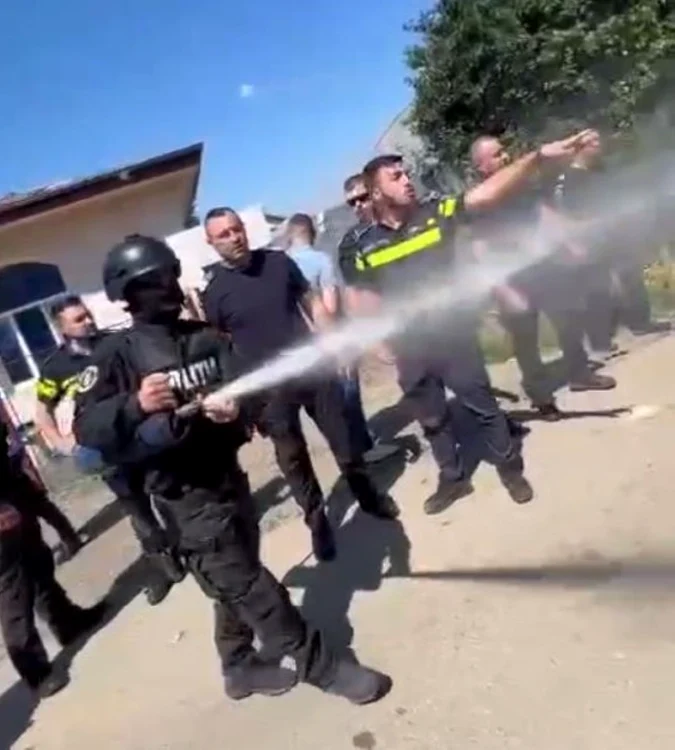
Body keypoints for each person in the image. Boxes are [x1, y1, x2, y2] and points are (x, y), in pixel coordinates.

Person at [72, 234, 391, 704]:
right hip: (185, 500)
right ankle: (321, 666)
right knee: (252, 586)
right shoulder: (114, 355)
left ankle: (239, 666)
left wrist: (236, 408)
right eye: (161, 278)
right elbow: (86, 428)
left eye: (172, 273)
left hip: (230, 481)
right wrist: (135, 404)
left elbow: (250, 390)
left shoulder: (201, 337)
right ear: (134, 289)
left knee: (233, 583)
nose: (172, 284)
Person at [340, 132, 600, 515]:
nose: (407, 179)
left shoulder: (437, 212)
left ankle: (510, 469)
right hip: (412, 348)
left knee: (482, 406)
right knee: (431, 417)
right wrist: (380, 342)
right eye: (395, 177)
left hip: (453, 336)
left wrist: (538, 156)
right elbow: (362, 296)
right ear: (376, 193)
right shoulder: (359, 245)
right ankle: (453, 479)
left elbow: (487, 193)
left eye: (406, 173)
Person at [202, 208, 399, 564]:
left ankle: (368, 495)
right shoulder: (215, 294)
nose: (234, 238)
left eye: (237, 229)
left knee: (344, 441)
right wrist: (243, 400)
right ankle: (317, 521)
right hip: (269, 392)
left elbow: (312, 303)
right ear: (211, 242)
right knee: (293, 460)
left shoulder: (278, 263)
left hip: (313, 371)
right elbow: (221, 345)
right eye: (224, 235)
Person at [35, 295, 182, 605]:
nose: (88, 320)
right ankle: (164, 568)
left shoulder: (116, 342)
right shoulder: (55, 368)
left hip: (141, 432)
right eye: (78, 319)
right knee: (137, 509)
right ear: (61, 328)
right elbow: (41, 411)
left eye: (87, 314)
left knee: (166, 491)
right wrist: (62, 444)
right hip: (105, 448)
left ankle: (190, 549)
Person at [469, 135, 616, 419]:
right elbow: (479, 249)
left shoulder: (523, 185)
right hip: (512, 278)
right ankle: (542, 398)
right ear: (481, 165)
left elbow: (545, 214)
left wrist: (570, 244)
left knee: (569, 318)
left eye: (504, 152)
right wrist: (500, 287)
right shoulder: (480, 201)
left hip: (544, 267)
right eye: (498, 154)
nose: (506, 156)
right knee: (526, 341)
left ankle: (579, 374)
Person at [0, 418, 106, 699]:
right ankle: (35, 671)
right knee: (13, 593)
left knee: (38, 565)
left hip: (10, 486)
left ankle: (67, 622)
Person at [284, 211, 399, 463]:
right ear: (310, 231)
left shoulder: (281, 264)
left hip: (302, 346)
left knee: (326, 404)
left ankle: (344, 450)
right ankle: (364, 449)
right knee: (348, 393)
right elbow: (331, 306)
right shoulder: (319, 260)